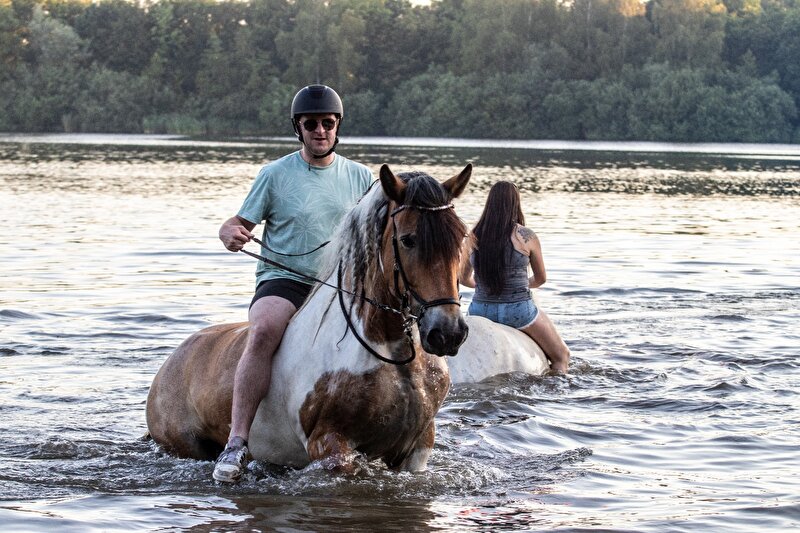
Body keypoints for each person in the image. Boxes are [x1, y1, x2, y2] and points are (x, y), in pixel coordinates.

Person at [213, 84, 374, 483]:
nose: (320, 131)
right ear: (298, 128)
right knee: (264, 330)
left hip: (340, 287)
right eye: (311, 124)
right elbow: (238, 223)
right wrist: (228, 233)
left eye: (327, 123)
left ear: (337, 126)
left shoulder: (361, 176)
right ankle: (236, 442)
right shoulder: (274, 174)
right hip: (285, 279)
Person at [459, 181, 570, 374]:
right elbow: (541, 279)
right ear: (515, 203)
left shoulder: (473, 236)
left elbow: (463, 278)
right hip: (518, 310)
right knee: (562, 355)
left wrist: (484, 285)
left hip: (480, 310)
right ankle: (557, 388)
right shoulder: (526, 236)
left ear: (489, 203)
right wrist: (519, 285)